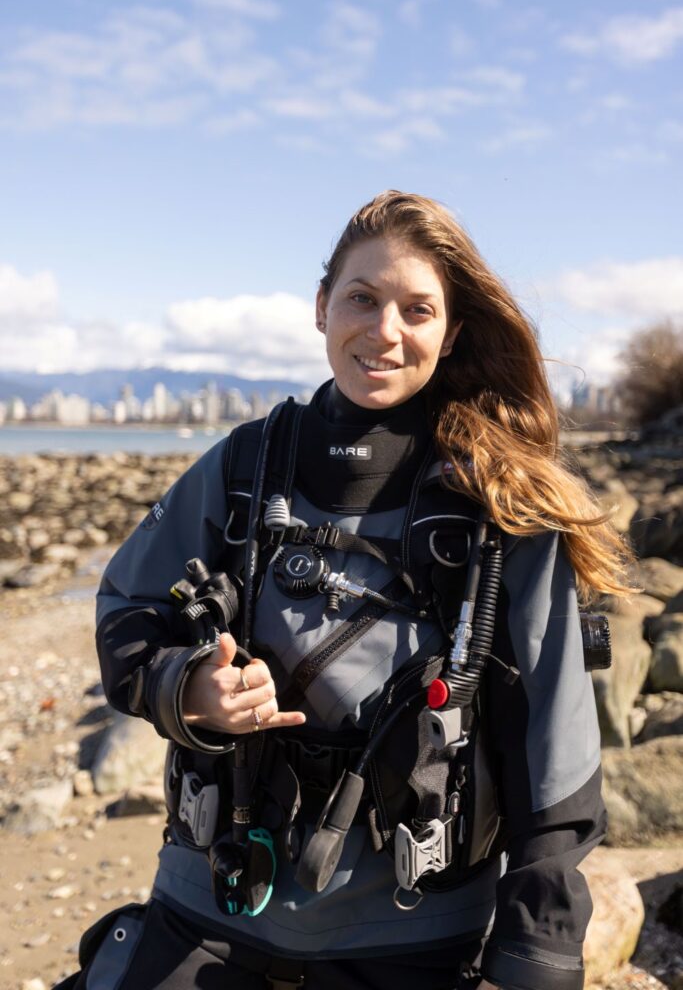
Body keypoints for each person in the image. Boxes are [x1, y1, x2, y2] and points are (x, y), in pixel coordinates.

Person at [57, 191, 631, 990]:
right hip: (215, 910)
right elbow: (127, 608)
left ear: (451, 331)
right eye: (362, 298)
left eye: (416, 309)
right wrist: (191, 687)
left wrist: (536, 956)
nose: (384, 331)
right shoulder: (244, 465)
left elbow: (556, 754)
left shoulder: (502, 503)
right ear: (322, 305)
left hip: (413, 936)